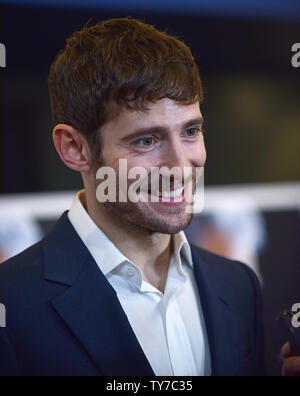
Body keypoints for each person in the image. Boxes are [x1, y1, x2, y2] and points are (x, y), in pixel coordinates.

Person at [0, 17, 266, 376]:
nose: (181, 167)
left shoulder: (237, 284)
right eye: (146, 140)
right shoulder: (12, 305)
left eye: (190, 131)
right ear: (75, 148)